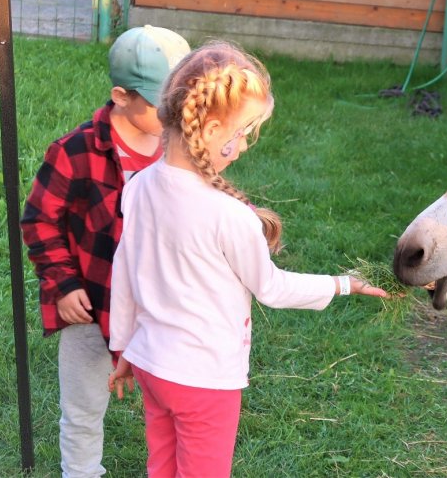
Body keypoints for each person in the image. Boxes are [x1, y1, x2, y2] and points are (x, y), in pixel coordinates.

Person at [106, 41, 389, 477]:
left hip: (150, 365)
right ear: (211, 128)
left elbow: (124, 269)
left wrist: (123, 346)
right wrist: (343, 283)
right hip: (203, 379)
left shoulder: (138, 185)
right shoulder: (229, 216)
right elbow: (271, 288)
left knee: (161, 466)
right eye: (241, 133)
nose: (242, 147)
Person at [20, 25, 191, 478]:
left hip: (162, 303)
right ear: (121, 96)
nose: (176, 114)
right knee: (83, 408)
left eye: (181, 100)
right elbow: (39, 220)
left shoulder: (181, 147)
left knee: (172, 400)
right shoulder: (75, 151)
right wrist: (63, 285)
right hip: (93, 306)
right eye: (162, 104)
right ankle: (81, 471)